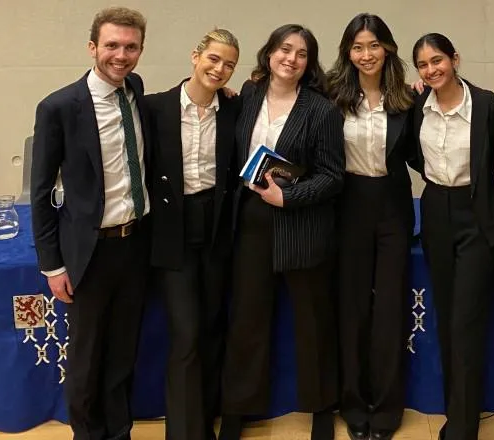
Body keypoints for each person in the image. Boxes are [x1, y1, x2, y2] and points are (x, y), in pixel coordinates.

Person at [218, 24, 345, 440]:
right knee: (247, 320)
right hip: (252, 225)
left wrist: (288, 199)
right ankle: (239, 408)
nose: (291, 58)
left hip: (301, 224)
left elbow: (333, 177)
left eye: (302, 53)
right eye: (284, 49)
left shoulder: (321, 110)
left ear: (309, 64)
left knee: (312, 323)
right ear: (269, 53)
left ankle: (322, 407)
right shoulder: (248, 95)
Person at [30, 7, 151, 439]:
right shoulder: (59, 107)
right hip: (89, 252)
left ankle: (120, 432)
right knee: (86, 357)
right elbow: (41, 192)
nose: (121, 55)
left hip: (134, 245)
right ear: (93, 48)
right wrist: (53, 265)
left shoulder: (134, 88)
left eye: (131, 46)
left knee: (123, 353)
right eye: (112, 45)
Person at [146, 28, 240, 440]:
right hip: (173, 230)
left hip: (217, 228)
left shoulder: (234, 110)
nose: (219, 69)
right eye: (214, 59)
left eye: (229, 64)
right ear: (195, 56)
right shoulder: (154, 108)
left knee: (211, 327)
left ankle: (206, 417)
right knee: (185, 334)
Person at [408, 33, 494, 440]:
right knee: (446, 318)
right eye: (424, 65)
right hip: (435, 213)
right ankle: (456, 407)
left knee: (466, 320)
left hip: (475, 215)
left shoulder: (486, 105)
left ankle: (463, 426)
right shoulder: (417, 105)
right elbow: (412, 153)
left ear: (455, 59)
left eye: (438, 60)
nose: (431, 70)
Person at [326, 13, 414, 440]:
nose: (366, 55)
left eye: (374, 46)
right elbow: (275, 91)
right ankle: (353, 402)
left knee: (390, 309)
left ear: (388, 49)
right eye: (358, 47)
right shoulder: (330, 94)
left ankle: (387, 405)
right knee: (352, 309)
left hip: (393, 207)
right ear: (348, 52)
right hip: (348, 206)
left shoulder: (407, 99)